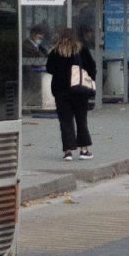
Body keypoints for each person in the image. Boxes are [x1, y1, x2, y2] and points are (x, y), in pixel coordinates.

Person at [46, 28, 96, 162]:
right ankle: (83, 150)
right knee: (81, 120)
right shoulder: (82, 50)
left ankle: (68, 152)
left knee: (65, 121)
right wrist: (89, 79)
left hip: (61, 92)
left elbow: (49, 69)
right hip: (79, 91)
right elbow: (92, 67)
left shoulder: (55, 52)